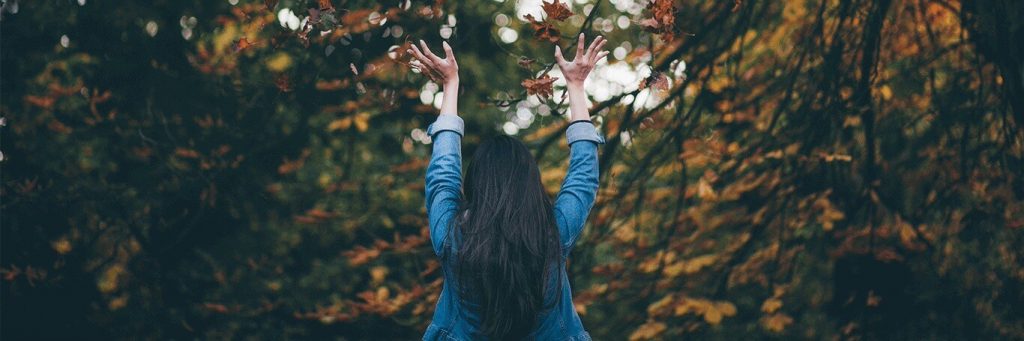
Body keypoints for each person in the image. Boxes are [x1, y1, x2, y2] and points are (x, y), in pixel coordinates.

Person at [408, 33, 609, 341]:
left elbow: (443, 174)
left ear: (476, 185)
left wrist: (450, 85)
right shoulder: (553, 235)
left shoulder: (451, 237)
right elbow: (583, 177)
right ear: (531, 185)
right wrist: (576, 86)